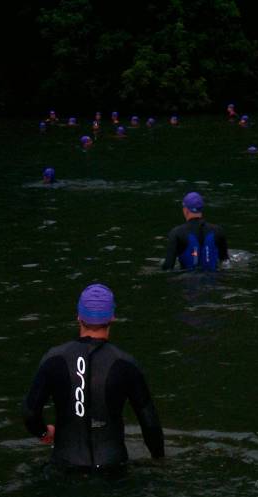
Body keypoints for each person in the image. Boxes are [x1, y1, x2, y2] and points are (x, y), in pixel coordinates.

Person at [23, 283, 164, 471]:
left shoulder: (54, 359)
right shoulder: (125, 363)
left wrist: (43, 433)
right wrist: (159, 461)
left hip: (65, 466)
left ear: (79, 316)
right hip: (113, 467)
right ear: (112, 317)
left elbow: (30, 413)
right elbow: (150, 424)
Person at [162, 192, 228, 271]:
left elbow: (168, 266)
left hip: (186, 277)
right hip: (213, 277)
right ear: (201, 209)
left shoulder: (177, 233)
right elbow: (225, 262)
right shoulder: (218, 231)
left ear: (185, 210)